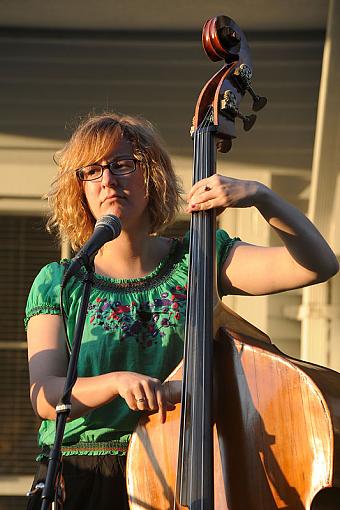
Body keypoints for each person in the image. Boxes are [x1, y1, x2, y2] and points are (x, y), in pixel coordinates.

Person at [25, 112, 339, 510]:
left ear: (150, 174)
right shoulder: (60, 280)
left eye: (122, 164)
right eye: (92, 171)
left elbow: (317, 265)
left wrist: (262, 196)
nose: (107, 180)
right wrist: (116, 382)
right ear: (80, 189)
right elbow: (46, 394)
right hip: (82, 475)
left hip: (179, 463)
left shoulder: (200, 258)